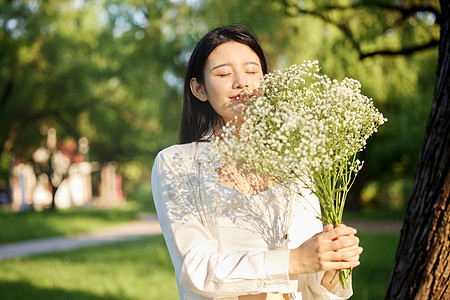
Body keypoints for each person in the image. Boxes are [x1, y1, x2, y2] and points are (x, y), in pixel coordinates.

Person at [151, 24, 362, 300]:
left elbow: (311, 284)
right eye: (224, 73)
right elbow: (197, 269)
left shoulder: (296, 161)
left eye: (252, 71)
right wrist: (295, 260)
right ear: (199, 88)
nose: (241, 82)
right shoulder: (176, 164)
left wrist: (330, 265)